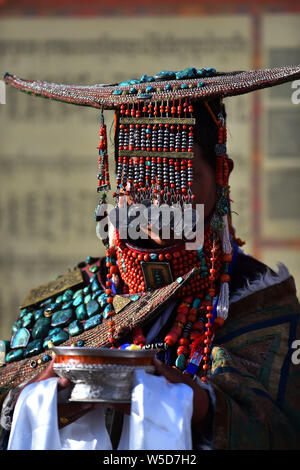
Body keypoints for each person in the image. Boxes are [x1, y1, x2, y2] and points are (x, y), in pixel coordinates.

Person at [0, 65, 300, 450]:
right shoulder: (62, 302)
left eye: (174, 173)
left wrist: (200, 407)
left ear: (222, 172)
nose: (155, 199)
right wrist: (31, 403)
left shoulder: (258, 300)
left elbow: (282, 431)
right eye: (136, 174)